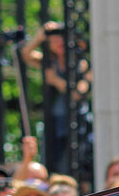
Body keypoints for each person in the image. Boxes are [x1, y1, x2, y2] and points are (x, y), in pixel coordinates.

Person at [20, 21, 92, 174]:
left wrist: (56, 81)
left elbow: (78, 93)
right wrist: (40, 36)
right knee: (53, 159)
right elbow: (26, 54)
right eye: (53, 40)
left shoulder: (81, 63)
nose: (57, 43)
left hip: (76, 120)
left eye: (60, 39)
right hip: (54, 120)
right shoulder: (49, 62)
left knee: (74, 160)